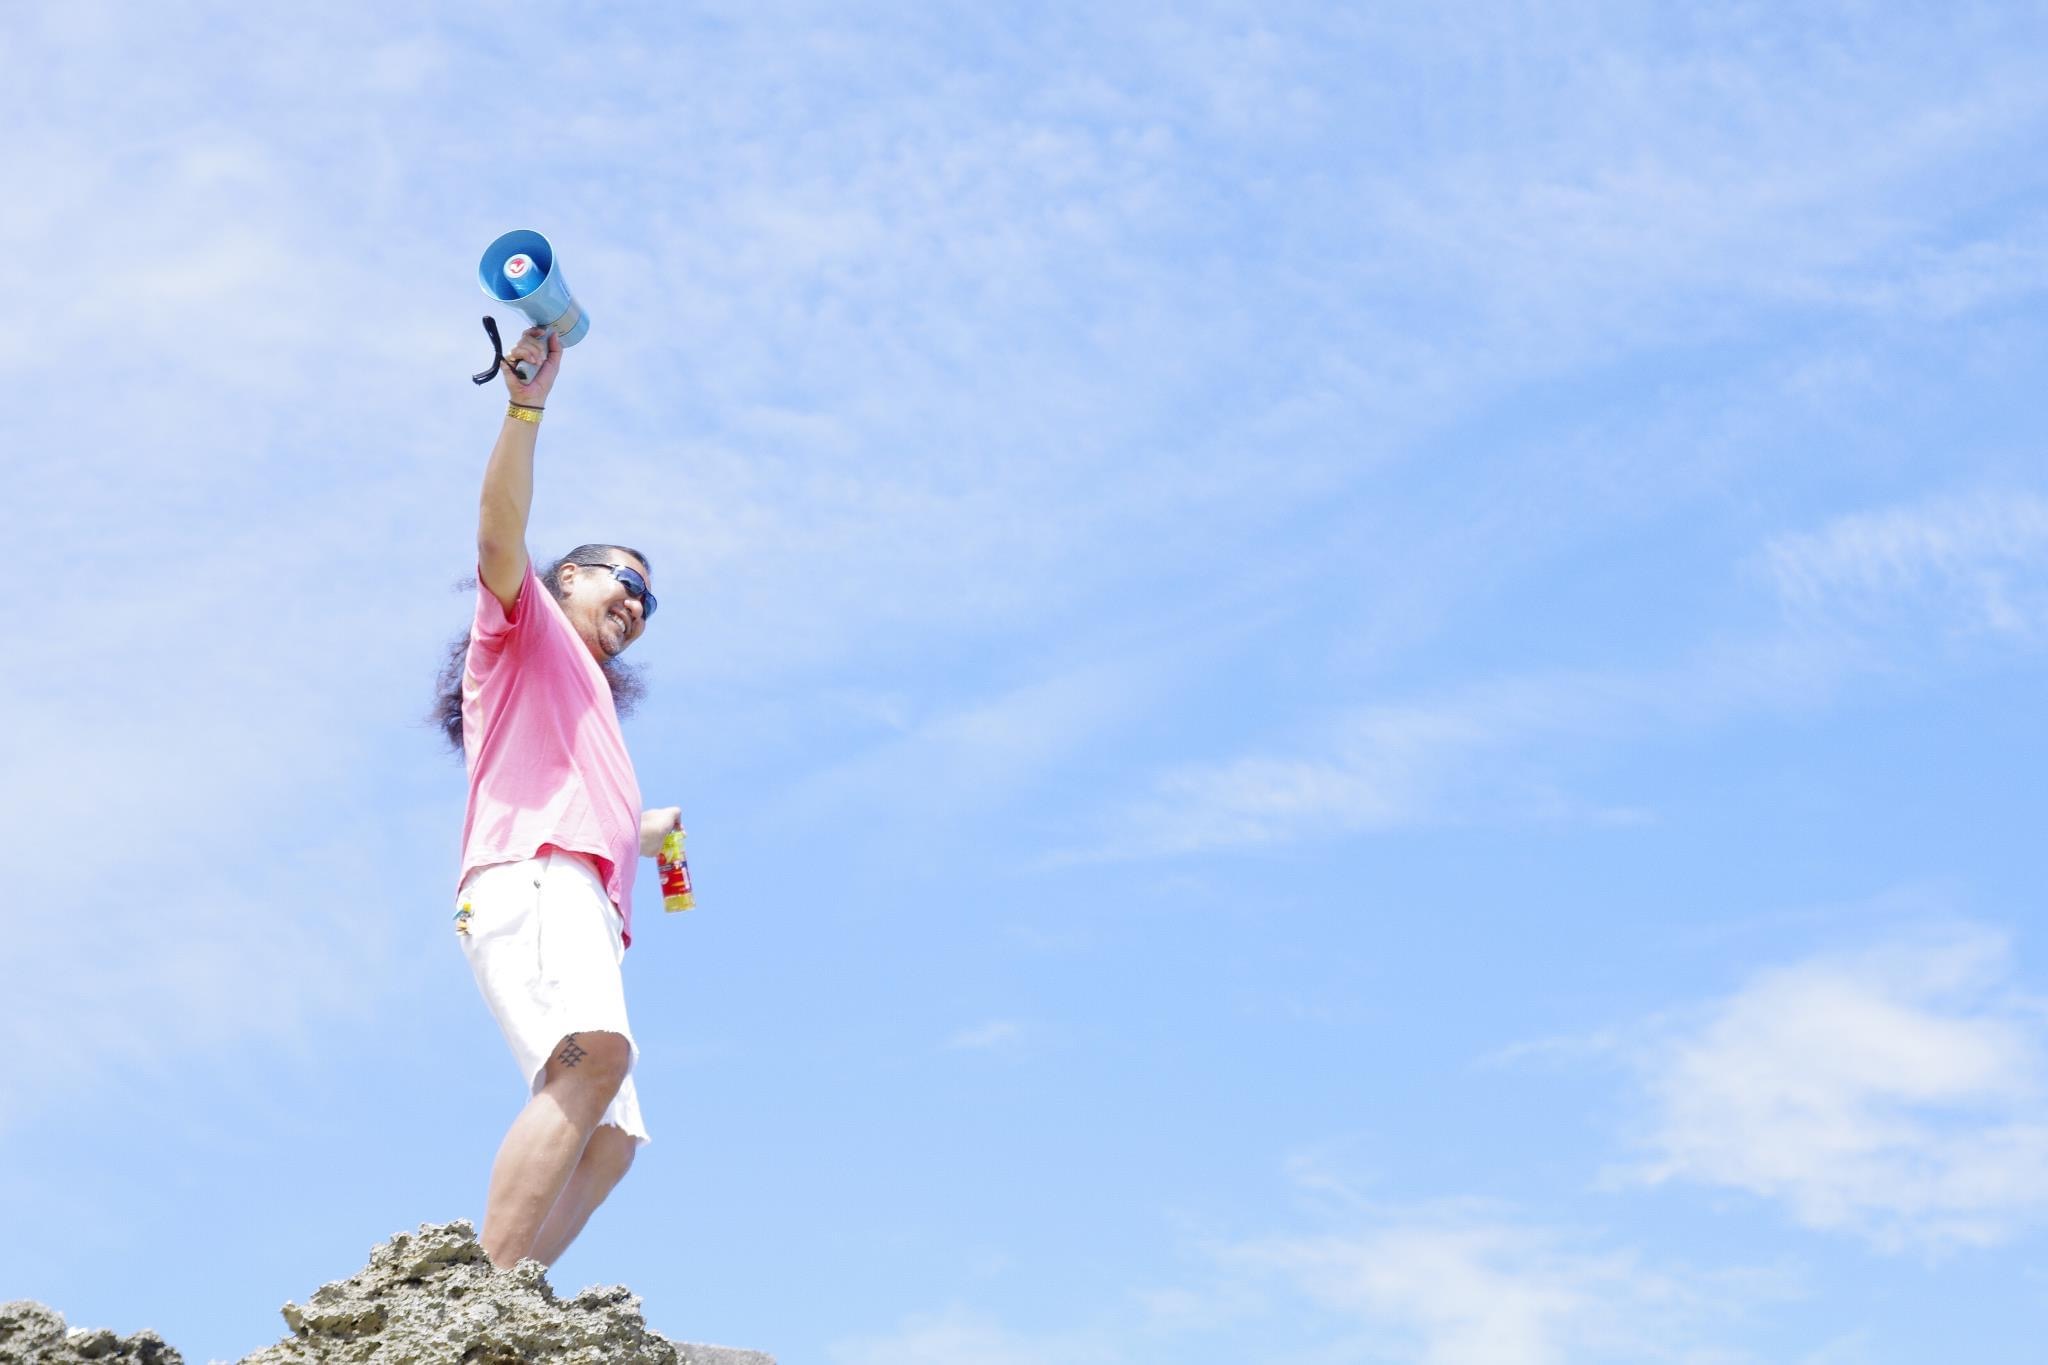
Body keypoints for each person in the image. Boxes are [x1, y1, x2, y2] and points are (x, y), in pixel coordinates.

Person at [433, 324, 677, 1269]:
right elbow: (499, 533)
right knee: (592, 1049)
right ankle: (478, 1299)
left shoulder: (589, 703)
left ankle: (515, 1295)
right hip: (532, 877)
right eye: (627, 584)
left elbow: (604, 814)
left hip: (570, 885)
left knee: (613, 1139)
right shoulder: (526, 631)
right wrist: (525, 405)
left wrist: (649, 831)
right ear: (566, 578)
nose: (637, 608)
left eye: (650, 608)